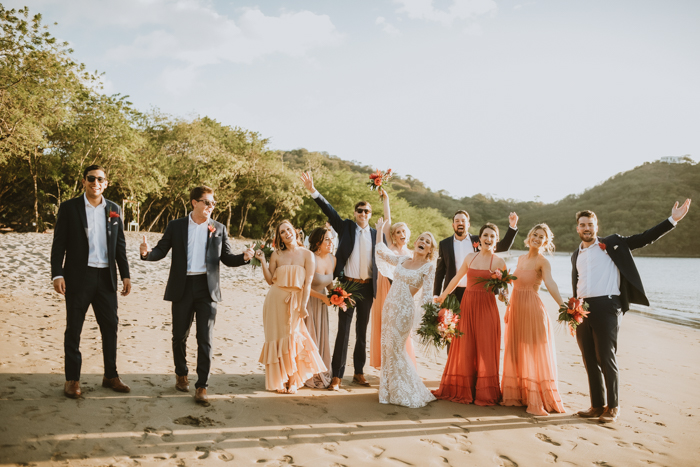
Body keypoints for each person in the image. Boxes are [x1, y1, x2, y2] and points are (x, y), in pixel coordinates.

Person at [571, 200, 691, 423]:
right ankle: (597, 405)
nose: (586, 228)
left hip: (607, 306)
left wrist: (672, 219)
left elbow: (644, 238)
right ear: (577, 228)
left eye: (590, 224)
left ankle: (613, 407)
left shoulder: (613, 244)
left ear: (596, 227)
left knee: (605, 356)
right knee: (589, 357)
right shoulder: (575, 255)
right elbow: (578, 282)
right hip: (582, 309)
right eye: (582, 224)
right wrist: (573, 309)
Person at [140, 186, 254, 404]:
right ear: (194, 202)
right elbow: (161, 251)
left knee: (205, 338)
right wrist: (146, 254)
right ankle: (181, 374)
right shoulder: (176, 226)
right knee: (179, 335)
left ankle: (202, 385)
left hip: (207, 288)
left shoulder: (218, 228)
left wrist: (245, 257)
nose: (211, 207)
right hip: (181, 286)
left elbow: (228, 258)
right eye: (207, 202)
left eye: (213, 203)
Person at [51, 164, 132, 399]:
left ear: (106, 183)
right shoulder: (69, 208)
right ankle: (72, 380)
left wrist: (125, 274)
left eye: (100, 179)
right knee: (74, 329)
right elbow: (59, 244)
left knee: (111, 327)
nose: (96, 183)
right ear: (84, 181)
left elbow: (120, 246)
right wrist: (57, 274)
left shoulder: (114, 209)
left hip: (106, 278)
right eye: (91, 178)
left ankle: (110, 376)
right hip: (78, 277)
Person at [299, 171, 377, 390]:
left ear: (370, 214)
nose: (363, 213)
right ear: (355, 213)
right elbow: (329, 210)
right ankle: (337, 376)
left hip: (368, 287)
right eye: (360, 210)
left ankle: (359, 373)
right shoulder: (346, 227)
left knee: (362, 331)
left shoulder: (375, 234)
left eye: (367, 211)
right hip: (348, 286)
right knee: (343, 330)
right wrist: (313, 191)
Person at [433, 223, 507, 405]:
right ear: (479, 239)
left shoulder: (499, 262)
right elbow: (456, 278)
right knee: (465, 346)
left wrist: (505, 296)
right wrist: (443, 295)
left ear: (496, 240)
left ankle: (484, 392)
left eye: (492, 236)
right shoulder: (470, 258)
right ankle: (465, 387)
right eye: (486, 235)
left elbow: (504, 290)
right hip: (467, 305)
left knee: (485, 346)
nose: (488, 239)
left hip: (487, 308)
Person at [501, 224, 566, 416]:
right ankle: (519, 395)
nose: (537, 238)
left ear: (545, 242)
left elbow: (550, 283)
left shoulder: (543, 262)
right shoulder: (520, 259)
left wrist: (563, 305)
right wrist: (507, 305)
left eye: (541, 237)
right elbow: (513, 286)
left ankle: (535, 401)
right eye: (535, 234)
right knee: (516, 351)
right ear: (529, 236)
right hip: (516, 309)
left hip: (533, 311)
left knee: (532, 353)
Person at [255, 220, 327, 394]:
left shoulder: (307, 255)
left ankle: (293, 380)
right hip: (275, 300)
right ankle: (279, 380)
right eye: (282, 232)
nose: (286, 233)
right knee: (276, 339)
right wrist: (263, 261)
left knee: (293, 339)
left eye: (288, 229)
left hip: (295, 302)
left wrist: (303, 305)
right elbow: (269, 279)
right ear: (279, 237)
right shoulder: (277, 255)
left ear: (295, 231)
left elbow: (308, 283)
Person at [374, 217, 437, 408]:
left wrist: (428, 319)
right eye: (421, 239)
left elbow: (426, 296)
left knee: (396, 348)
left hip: (404, 310)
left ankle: (404, 389)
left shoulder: (428, 267)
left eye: (427, 242)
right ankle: (388, 389)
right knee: (386, 347)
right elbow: (382, 253)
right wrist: (379, 230)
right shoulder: (402, 259)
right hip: (389, 306)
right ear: (415, 243)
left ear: (429, 250)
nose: (423, 242)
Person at [370, 188, 417, 370]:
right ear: (393, 235)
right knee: (385, 326)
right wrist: (386, 200)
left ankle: (402, 362)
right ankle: (386, 363)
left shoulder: (412, 254)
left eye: (404, 231)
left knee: (402, 327)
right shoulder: (389, 246)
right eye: (398, 232)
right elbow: (387, 220)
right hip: (384, 288)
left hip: (402, 292)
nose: (401, 234)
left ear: (408, 234)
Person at [434, 210, 519, 302]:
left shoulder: (480, 240)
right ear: (453, 224)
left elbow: (503, 246)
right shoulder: (444, 244)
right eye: (457, 221)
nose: (460, 223)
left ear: (468, 224)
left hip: (476, 291)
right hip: (452, 292)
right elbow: (440, 271)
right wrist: (436, 294)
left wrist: (512, 227)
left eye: (463, 220)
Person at [304, 226, 336, 389]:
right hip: (308, 302)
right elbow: (303, 287)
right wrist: (323, 296)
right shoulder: (310, 258)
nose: (331, 242)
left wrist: (337, 295)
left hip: (322, 306)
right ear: (318, 243)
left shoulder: (333, 259)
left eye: (332, 239)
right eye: (327, 239)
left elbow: (329, 282)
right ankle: (308, 373)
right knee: (310, 338)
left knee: (321, 338)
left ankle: (319, 370)